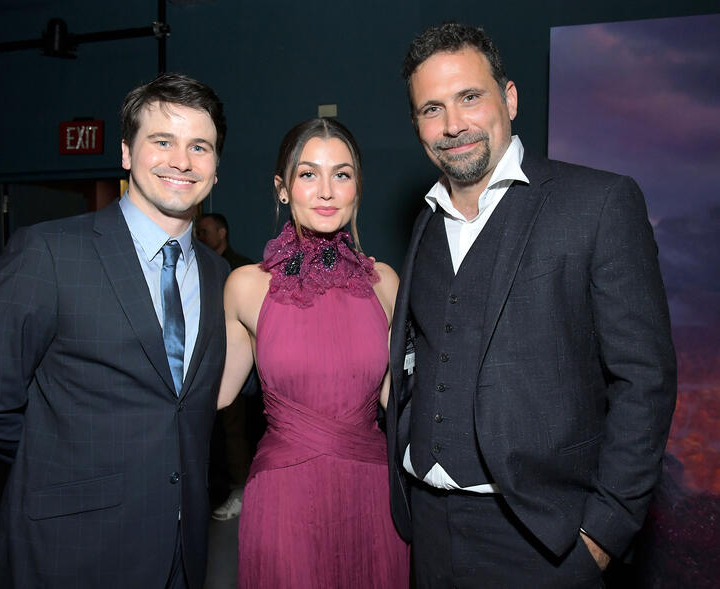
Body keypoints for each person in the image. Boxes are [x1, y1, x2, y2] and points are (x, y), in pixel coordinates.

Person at [386, 21, 677, 588]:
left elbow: (645, 379)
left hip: (543, 539)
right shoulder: (424, 222)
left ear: (509, 98)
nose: (453, 125)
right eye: (432, 108)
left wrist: (604, 532)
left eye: (470, 97)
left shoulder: (598, 202)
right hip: (428, 525)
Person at [0, 73, 230, 589]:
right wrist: (72, 465)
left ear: (216, 166)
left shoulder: (219, 274)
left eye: (199, 147)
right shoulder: (49, 252)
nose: (181, 161)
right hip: (73, 543)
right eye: (161, 141)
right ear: (126, 152)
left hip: (182, 545)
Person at [219, 118, 409, 587]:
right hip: (284, 497)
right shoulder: (245, 286)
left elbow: (399, 400)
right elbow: (214, 393)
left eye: (341, 174)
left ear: (357, 188)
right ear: (283, 189)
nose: (326, 190)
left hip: (372, 493)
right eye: (308, 174)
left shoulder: (385, 284)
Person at [195, 212, 261, 521]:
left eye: (206, 230)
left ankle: (241, 489)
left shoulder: (243, 269)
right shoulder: (198, 266)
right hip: (209, 358)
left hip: (237, 360)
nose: (201, 235)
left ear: (223, 232)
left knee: (236, 429)